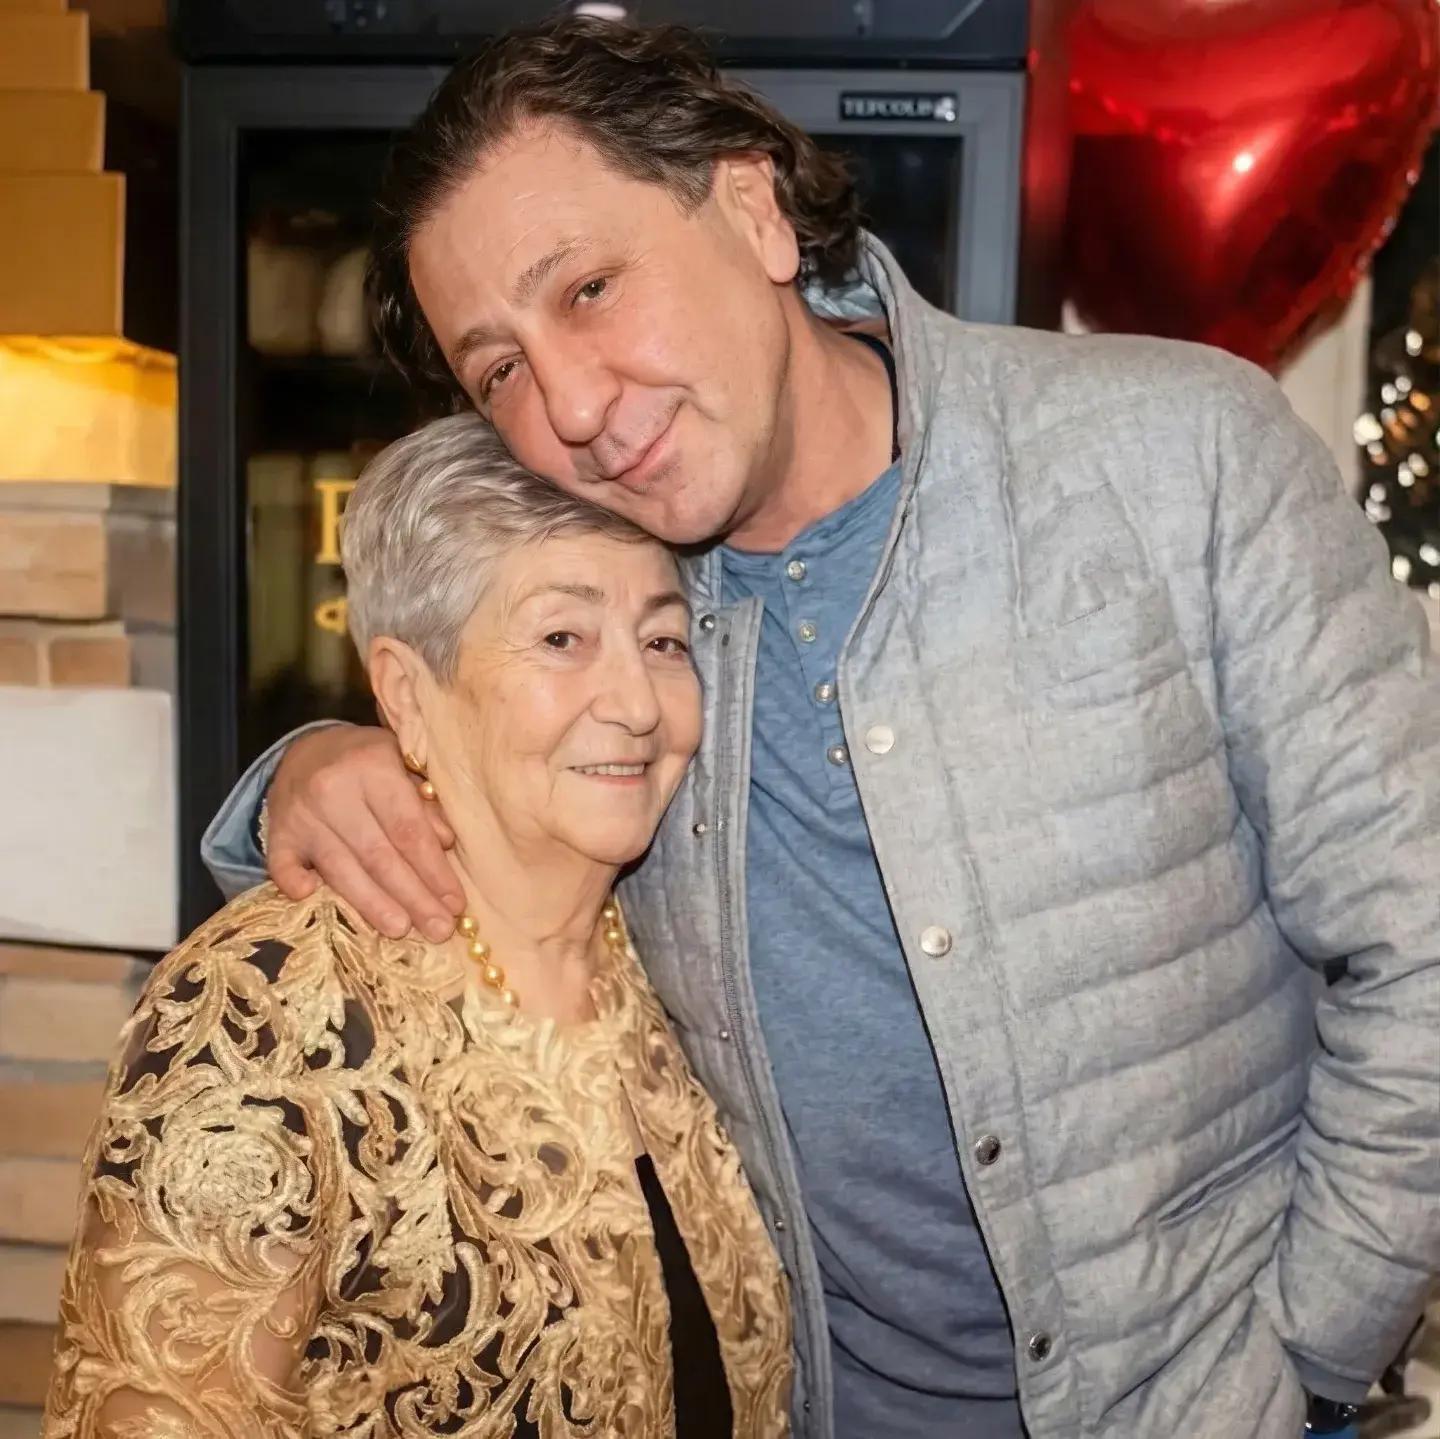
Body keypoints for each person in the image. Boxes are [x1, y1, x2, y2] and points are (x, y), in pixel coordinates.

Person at [202, 17, 1440, 1439]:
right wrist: (306, 769)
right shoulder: (613, 628)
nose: (575, 406)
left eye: (591, 288)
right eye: (500, 372)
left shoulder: (1181, 455)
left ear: (751, 208)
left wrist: (1311, 1351)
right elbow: (462, 865)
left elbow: (1417, 933)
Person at [45, 414, 792, 1439]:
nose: (636, 702)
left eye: (662, 640)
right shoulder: (268, 1012)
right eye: (562, 638)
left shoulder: (671, 948)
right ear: (404, 689)